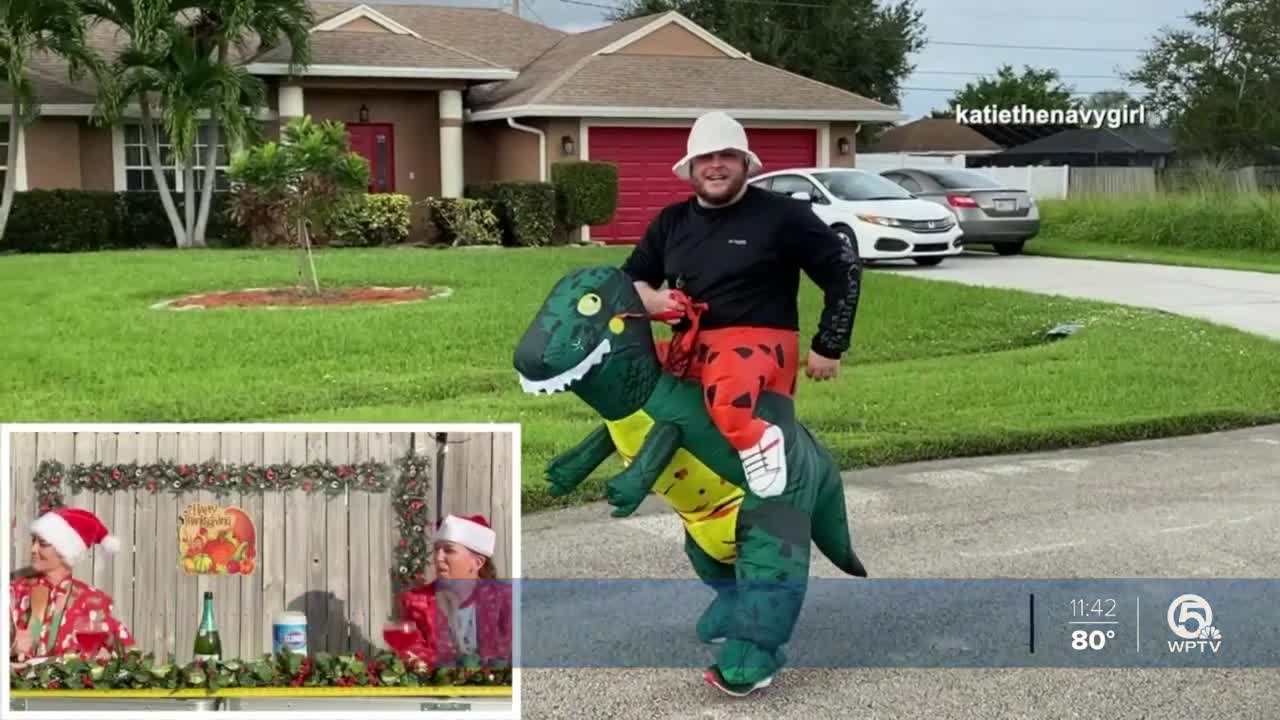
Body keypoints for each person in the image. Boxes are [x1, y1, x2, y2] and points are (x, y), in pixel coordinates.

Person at [620, 110, 862, 498]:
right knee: (630, 377)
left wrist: (829, 345)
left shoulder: (784, 215)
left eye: (727, 156)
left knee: (730, 387)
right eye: (706, 157)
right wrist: (651, 299)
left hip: (759, 346)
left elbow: (844, 268)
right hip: (692, 346)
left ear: (745, 162)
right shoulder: (671, 221)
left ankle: (764, 451)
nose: (716, 166)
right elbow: (630, 277)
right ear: (691, 167)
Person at [9, 507, 136, 666]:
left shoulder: (92, 600)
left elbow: (131, 657)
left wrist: (103, 660)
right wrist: (11, 647)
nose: (33, 549)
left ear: (65, 550)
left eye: (43, 543)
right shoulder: (14, 593)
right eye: (33, 541)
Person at [395, 514, 512, 668]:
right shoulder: (415, 602)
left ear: (477, 563)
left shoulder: (505, 599)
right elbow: (412, 653)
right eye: (436, 550)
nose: (438, 558)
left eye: (449, 550)